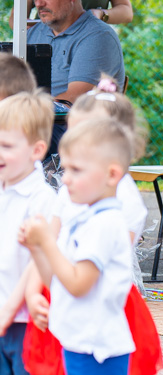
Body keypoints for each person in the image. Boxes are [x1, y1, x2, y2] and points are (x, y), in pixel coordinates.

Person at [19, 118, 138, 375]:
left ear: (112, 175)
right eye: (66, 169)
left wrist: (46, 242)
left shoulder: (104, 224)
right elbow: (58, 281)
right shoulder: (86, 219)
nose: (66, 179)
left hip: (98, 352)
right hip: (79, 343)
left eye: (77, 170)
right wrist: (37, 249)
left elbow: (78, 285)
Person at [0, 92, 57, 375]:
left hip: (24, 320)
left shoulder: (41, 199)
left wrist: (10, 308)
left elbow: (38, 260)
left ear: (36, 151)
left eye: (6, 146)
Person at [26, 0, 125, 104]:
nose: (39, 3)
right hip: (31, 120)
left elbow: (73, 101)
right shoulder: (33, 33)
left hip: (72, 124)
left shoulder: (98, 37)